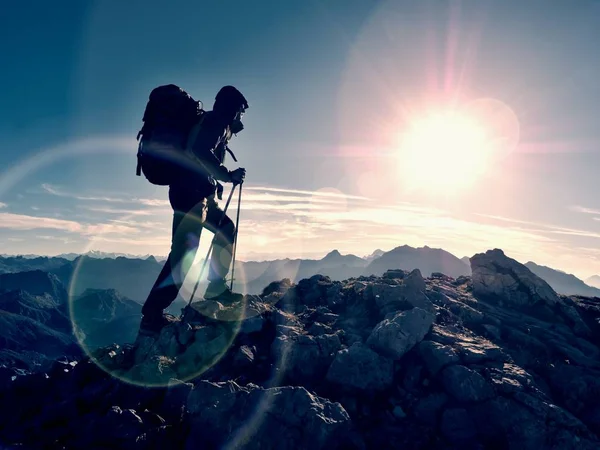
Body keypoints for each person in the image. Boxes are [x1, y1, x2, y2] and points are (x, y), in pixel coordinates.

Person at [140, 85, 248, 332]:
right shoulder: (216, 122)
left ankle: (215, 288)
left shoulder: (215, 123)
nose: (241, 117)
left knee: (224, 229)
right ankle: (152, 314)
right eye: (240, 111)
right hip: (190, 194)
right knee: (184, 253)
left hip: (198, 194)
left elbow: (199, 155)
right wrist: (228, 175)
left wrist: (217, 180)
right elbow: (199, 151)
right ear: (231, 108)